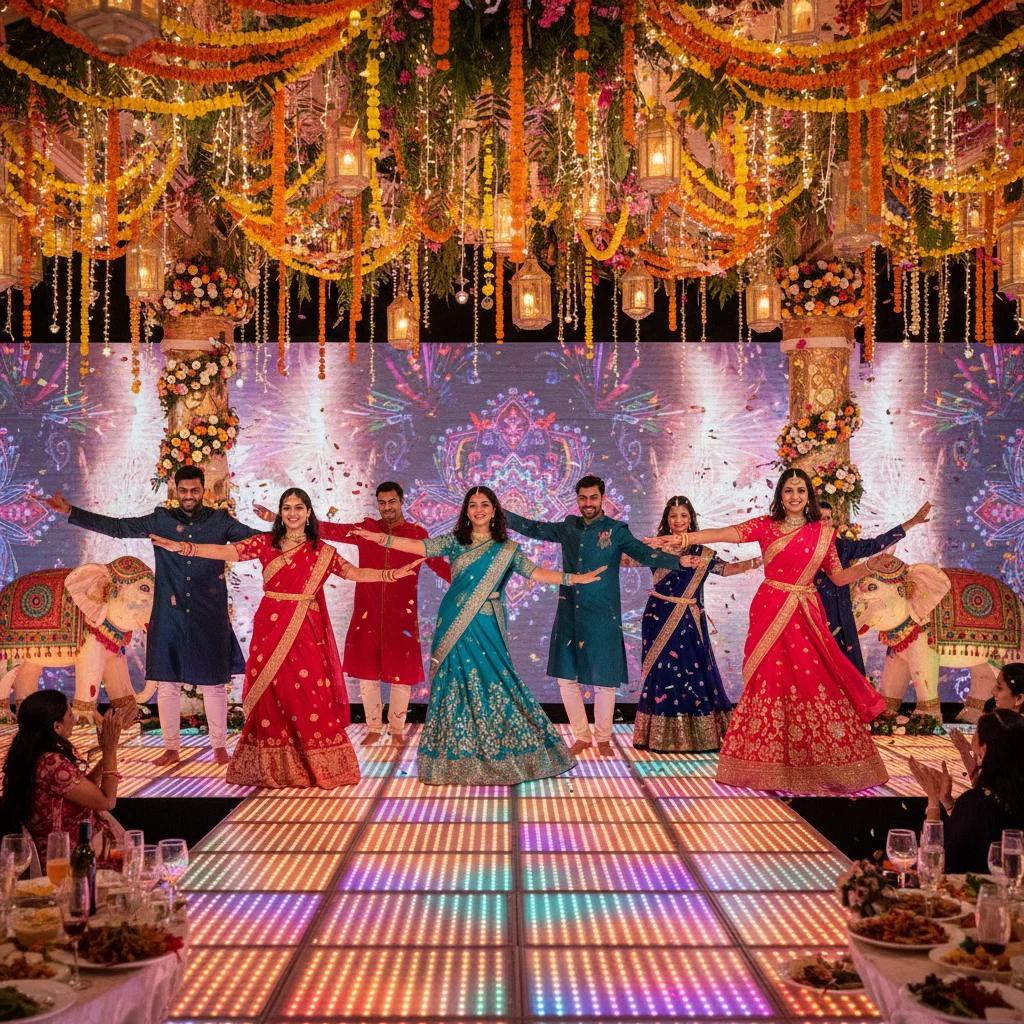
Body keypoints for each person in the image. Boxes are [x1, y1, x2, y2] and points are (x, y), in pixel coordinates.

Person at [150, 488, 421, 789]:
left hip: (307, 628)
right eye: (287, 507)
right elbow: (226, 552)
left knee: (308, 692)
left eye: (299, 507)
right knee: (272, 691)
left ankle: (315, 763)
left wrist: (390, 575)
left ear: (308, 513)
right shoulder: (266, 543)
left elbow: (353, 573)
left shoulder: (321, 550)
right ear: (280, 513)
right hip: (271, 625)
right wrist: (184, 548)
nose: (293, 513)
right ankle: (274, 765)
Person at [353, 486, 603, 785]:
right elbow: (422, 548)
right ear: (466, 511)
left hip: (485, 623)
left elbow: (535, 573)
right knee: (453, 683)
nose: (479, 510)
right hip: (454, 622)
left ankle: (506, 751)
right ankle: (452, 757)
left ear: (495, 510)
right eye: (473, 505)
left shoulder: (507, 549)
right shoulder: (456, 541)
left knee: (496, 680)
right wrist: (382, 539)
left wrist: (573, 578)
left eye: (485, 504)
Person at [660, 468, 889, 794]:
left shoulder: (822, 532)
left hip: (804, 615)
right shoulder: (767, 526)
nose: (795, 497)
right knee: (769, 680)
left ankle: (820, 763)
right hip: (770, 610)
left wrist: (870, 566)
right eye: (788, 491)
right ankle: (764, 765)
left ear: (808, 495)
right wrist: (686, 539)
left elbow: (838, 577)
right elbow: (725, 533)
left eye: (800, 491)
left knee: (812, 681)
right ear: (780, 496)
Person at [45, 467, 257, 767]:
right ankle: (171, 748)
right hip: (168, 613)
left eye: (194, 491)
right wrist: (71, 511)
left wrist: (294, 531)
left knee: (213, 683)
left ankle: (219, 746)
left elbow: (256, 542)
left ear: (203, 490)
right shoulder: (162, 520)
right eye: (183, 491)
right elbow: (119, 528)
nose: (188, 496)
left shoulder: (219, 521)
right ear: (175, 490)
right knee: (166, 681)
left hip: (209, 612)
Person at [254, 481, 450, 747]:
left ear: (403, 502)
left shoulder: (416, 534)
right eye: (382, 502)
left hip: (401, 615)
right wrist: (276, 518)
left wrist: (469, 586)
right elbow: (327, 529)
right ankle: (373, 728)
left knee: (400, 674)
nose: (387, 507)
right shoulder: (366, 529)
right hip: (368, 612)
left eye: (392, 502)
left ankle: (396, 731)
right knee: (367, 673)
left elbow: (439, 564)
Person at [503, 475, 683, 757]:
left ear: (602, 499)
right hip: (569, 612)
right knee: (566, 678)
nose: (588, 503)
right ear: (577, 500)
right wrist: (499, 512)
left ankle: (603, 739)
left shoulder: (616, 530)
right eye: (583, 498)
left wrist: (677, 561)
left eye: (593, 498)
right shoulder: (568, 527)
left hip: (603, 614)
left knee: (604, 680)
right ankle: (582, 736)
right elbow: (533, 528)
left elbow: (645, 554)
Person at [632, 496, 762, 753]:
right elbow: (628, 560)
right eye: (673, 516)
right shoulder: (655, 548)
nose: (678, 521)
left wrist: (760, 560)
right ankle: (658, 735)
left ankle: (700, 736)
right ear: (666, 520)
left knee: (693, 671)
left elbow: (726, 570)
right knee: (663, 672)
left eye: (683, 515)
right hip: (658, 616)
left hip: (689, 618)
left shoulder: (702, 552)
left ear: (691, 518)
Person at [1, 691, 124, 868]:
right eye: (70, 715)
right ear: (56, 727)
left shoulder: (35, 756)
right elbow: (107, 800)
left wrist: (107, 751)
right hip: (70, 856)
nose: (74, 719)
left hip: (64, 848)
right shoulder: (52, 763)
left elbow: (86, 789)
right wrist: (111, 750)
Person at [814, 500, 932, 676]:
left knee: (846, 675)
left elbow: (877, 544)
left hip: (842, 616)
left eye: (828, 518)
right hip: (814, 614)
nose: (824, 522)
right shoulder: (802, 548)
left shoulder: (842, 547)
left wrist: (912, 522)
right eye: (820, 518)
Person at [910, 709, 1024, 874]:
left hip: (975, 895)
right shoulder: (1007, 797)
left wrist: (933, 802)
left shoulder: (977, 803)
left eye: (976, 731)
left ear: (983, 750)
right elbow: (972, 830)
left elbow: (932, 864)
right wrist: (948, 802)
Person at [949, 663, 1024, 781]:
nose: (993, 691)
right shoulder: (991, 712)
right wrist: (965, 752)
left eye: (999, 687)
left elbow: (987, 789)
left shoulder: (1013, 737)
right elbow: (982, 787)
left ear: (1019, 698)